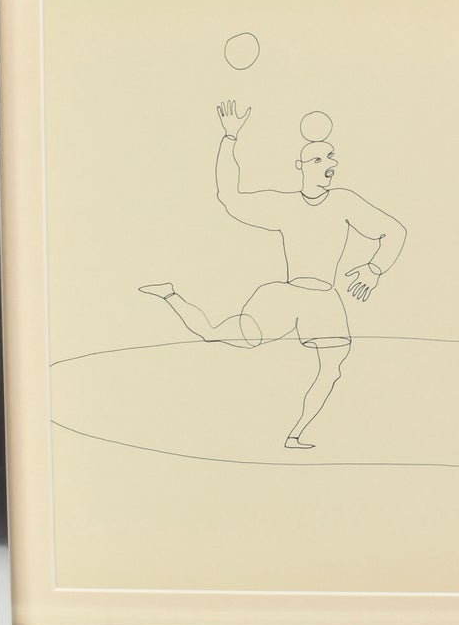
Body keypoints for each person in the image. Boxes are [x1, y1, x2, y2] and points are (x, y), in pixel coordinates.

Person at [141, 101, 406, 448]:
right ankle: (170, 294)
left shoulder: (344, 201)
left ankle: (295, 435)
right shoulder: (286, 205)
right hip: (286, 296)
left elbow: (394, 231)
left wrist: (375, 268)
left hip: (324, 301)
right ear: (300, 167)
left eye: (330, 157)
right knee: (215, 334)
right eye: (316, 160)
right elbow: (230, 197)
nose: (328, 165)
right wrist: (230, 137)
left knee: (332, 369)